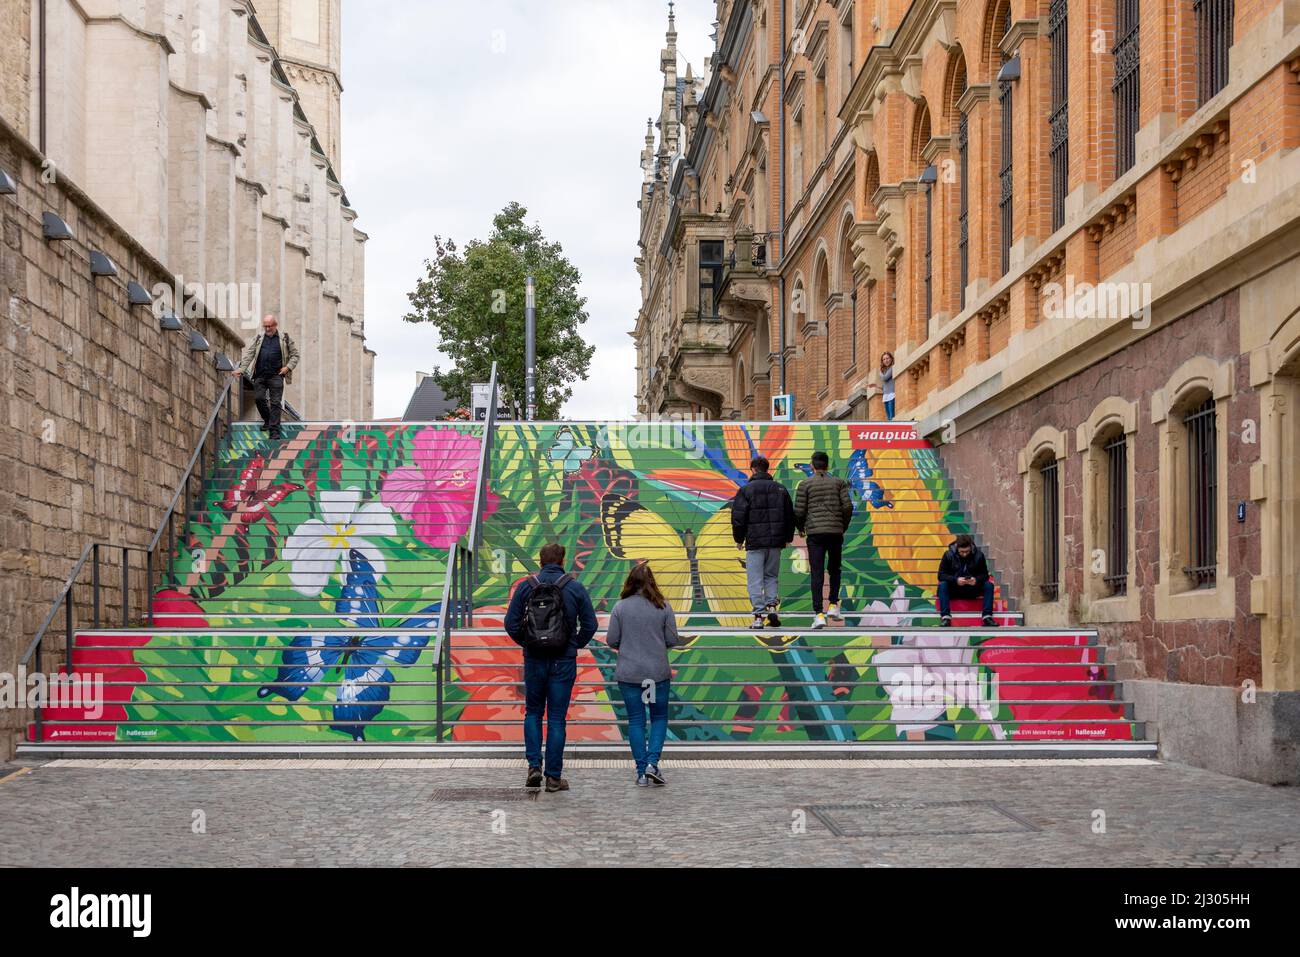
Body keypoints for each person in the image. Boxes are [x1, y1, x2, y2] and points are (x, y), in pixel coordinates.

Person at [504, 542, 598, 792]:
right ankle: (553, 777)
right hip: (563, 660)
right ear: (563, 560)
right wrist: (573, 644)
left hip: (534, 659)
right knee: (557, 718)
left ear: (541, 560)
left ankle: (534, 766)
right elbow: (591, 624)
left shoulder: (526, 587)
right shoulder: (575, 587)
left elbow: (511, 624)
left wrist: (528, 644)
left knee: (533, 712)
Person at [606, 562, 682, 787]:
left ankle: (641, 772)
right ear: (652, 582)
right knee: (658, 718)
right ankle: (652, 763)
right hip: (657, 673)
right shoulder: (663, 606)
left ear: (630, 581)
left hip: (629, 673)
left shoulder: (620, 607)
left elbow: (611, 640)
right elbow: (672, 639)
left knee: (636, 721)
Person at [731, 455, 796, 629]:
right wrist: (788, 538)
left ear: (753, 469)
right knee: (771, 576)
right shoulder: (780, 489)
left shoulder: (746, 491)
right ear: (768, 469)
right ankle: (773, 607)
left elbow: (738, 517)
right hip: (775, 543)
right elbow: (790, 516)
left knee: (755, 580)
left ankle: (758, 616)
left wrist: (739, 539)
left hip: (755, 542)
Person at [795, 451, 855, 630]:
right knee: (835, 568)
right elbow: (848, 506)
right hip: (835, 532)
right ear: (827, 466)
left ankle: (818, 614)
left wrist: (801, 528)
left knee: (817, 572)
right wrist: (841, 526)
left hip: (815, 533)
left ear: (812, 466)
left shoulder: (805, 484)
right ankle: (833, 606)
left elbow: (798, 511)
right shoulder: (839, 483)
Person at [234, 314, 300, 441]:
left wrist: (287, 368)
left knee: (275, 403)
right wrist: (241, 369)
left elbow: (295, 355)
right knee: (259, 398)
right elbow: (250, 354)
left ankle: (274, 432)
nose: (267, 329)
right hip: (260, 375)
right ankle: (269, 420)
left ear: (275, 325)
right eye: (265, 326)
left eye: (269, 326)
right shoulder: (259, 338)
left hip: (277, 375)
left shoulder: (284, 338)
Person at [937, 534, 998, 627]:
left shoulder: (979, 555)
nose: (964, 554)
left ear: (971, 547)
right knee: (942, 585)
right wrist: (955, 580)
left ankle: (987, 617)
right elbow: (941, 575)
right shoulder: (948, 555)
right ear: (957, 547)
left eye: (967, 551)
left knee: (989, 585)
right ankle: (946, 617)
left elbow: (985, 575)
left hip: (972, 589)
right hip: (955, 589)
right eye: (962, 552)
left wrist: (976, 580)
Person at [880, 352, 896, 421]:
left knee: (891, 416)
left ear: (891, 359)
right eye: (884, 359)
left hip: (891, 395)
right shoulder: (885, 371)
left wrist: (880, 372)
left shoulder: (892, 368)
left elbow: (884, 378)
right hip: (886, 395)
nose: (886, 360)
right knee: (888, 417)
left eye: (887, 358)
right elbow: (885, 386)